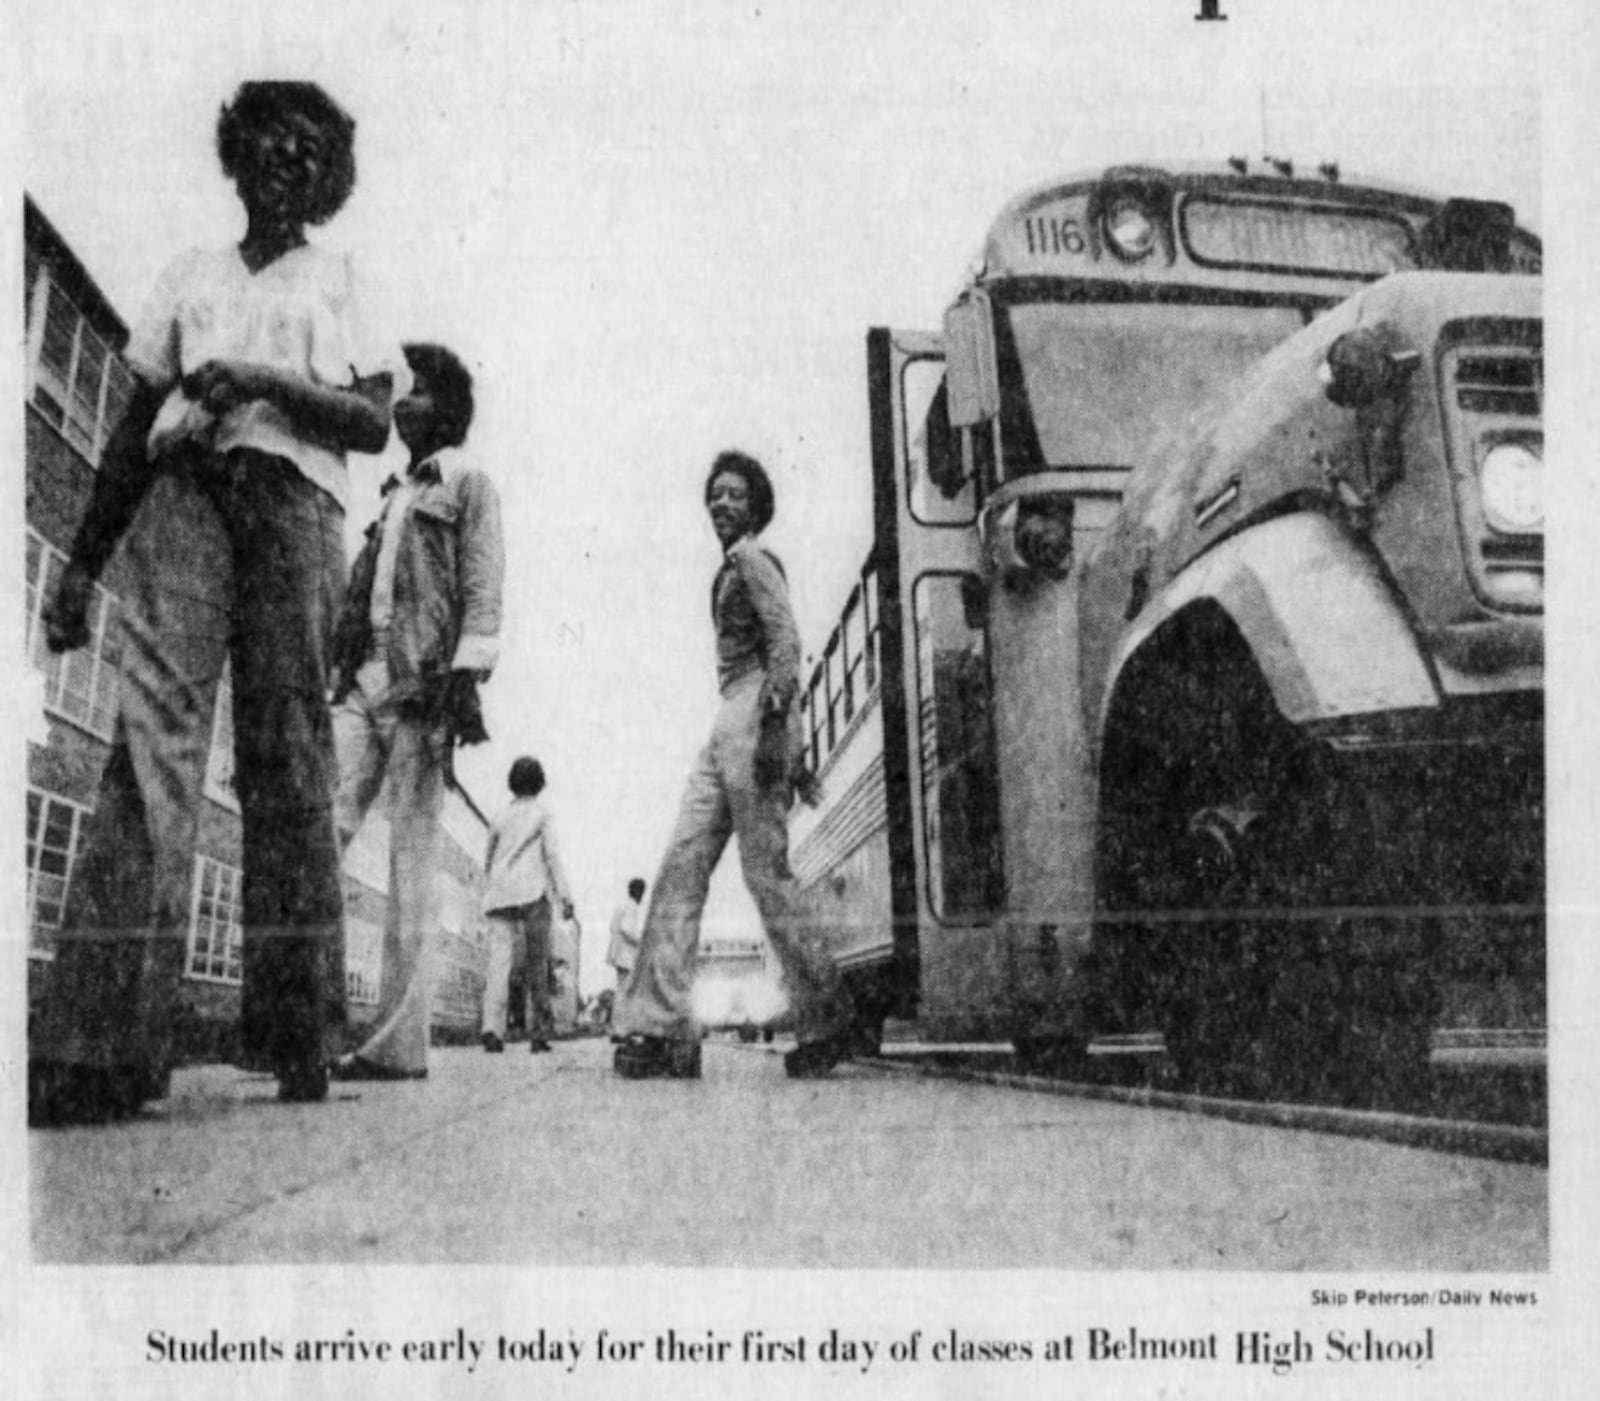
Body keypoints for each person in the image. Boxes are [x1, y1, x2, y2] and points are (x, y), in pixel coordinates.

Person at [30, 81, 395, 1118]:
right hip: (185, 493)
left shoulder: (339, 279)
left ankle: (297, 1031)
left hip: (296, 508)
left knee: (286, 753)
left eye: (308, 150)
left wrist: (267, 382)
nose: (287, 158)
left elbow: (371, 422)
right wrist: (79, 568)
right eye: (269, 142)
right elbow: (132, 422)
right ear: (236, 155)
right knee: (151, 739)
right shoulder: (188, 274)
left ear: (325, 177)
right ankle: (98, 1045)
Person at [612, 450, 856, 1080]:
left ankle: (829, 1017)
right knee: (682, 864)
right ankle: (659, 1023)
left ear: (756, 507)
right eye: (715, 495)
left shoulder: (752, 558)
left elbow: (786, 642)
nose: (721, 504)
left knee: (764, 874)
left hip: (753, 713)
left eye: (735, 496)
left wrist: (780, 731)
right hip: (728, 719)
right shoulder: (731, 566)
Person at [328, 343, 503, 1080]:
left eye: (423, 391)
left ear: (452, 408)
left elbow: (483, 586)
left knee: (410, 861)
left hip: (421, 686)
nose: (404, 402)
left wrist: (465, 681)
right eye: (404, 390)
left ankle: (397, 1045)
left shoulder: (467, 482)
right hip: (359, 679)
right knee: (320, 825)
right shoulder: (394, 491)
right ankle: (304, 1020)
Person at [480, 759, 576, 1054]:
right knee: (537, 963)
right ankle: (540, 1034)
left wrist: (493, 887)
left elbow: (488, 859)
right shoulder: (542, 815)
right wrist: (565, 897)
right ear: (540, 782)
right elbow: (553, 856)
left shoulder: (499, 817)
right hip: (533, 893)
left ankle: (492, 1029)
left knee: (499, 962)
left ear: (512, 782)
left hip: (499, 894)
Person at [605, 878, 647, 990]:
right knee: (626, 988)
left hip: (618, 954)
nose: (642, 896)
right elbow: (627, 930)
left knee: (622, 986)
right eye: (642, 892)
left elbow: (612, 927)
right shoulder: (631, 907)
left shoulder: (622, 905)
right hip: (626, 955)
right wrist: (642, 942)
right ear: (638, 892)